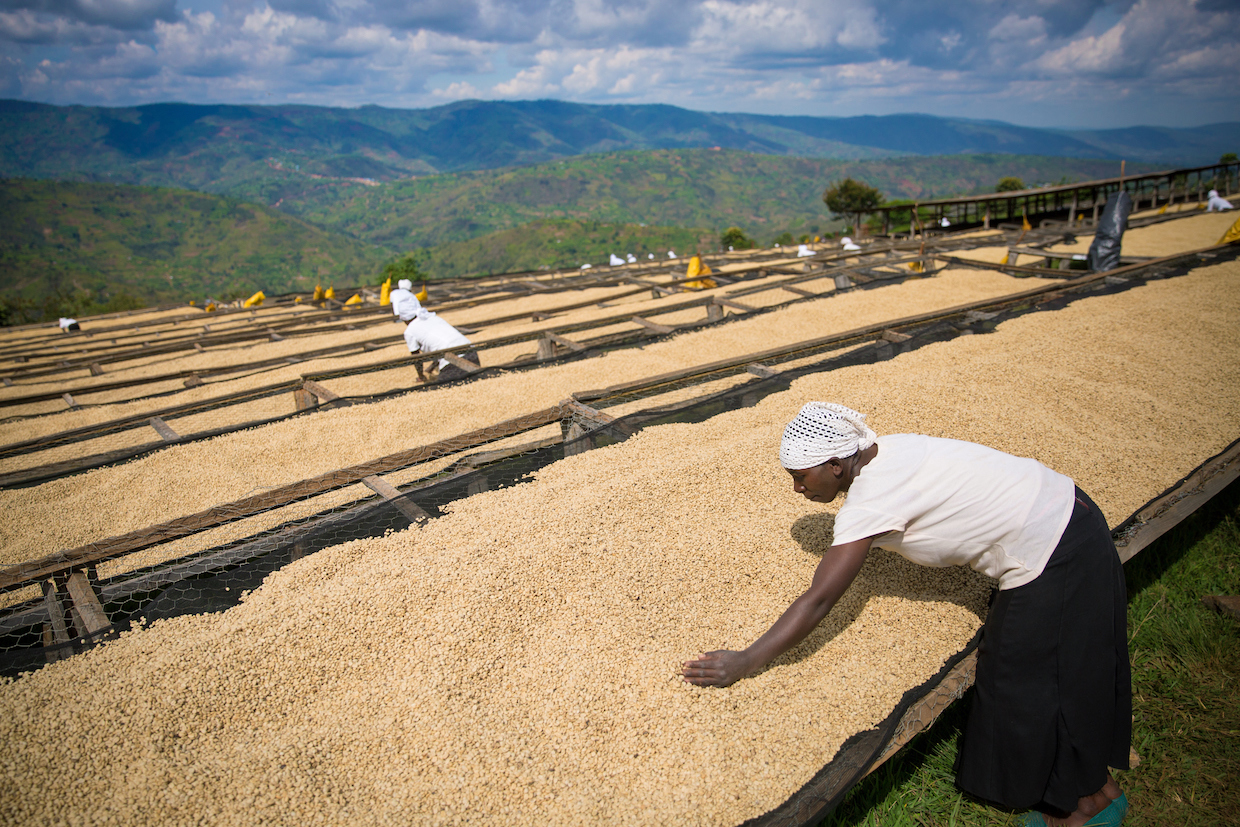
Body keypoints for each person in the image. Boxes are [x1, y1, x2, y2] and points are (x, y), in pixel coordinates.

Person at [682, 402, 1131, 827]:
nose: (797, 489)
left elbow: (818, 599)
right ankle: (1096, 788)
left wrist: (745, 660)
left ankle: (1083, 805)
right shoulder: (888, 448)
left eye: (801, 478)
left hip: (1054, 549)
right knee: (1057, 664)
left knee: (1026, 677)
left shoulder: (869, 504)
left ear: (836, 466)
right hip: (1072, 511)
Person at [401, 301, 479, 384]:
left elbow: (416, 358)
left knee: (441, 388)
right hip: (472, 354)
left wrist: (421, 376)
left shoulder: (409, 331)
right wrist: (431, 368)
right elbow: (441, 345)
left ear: (404, 319)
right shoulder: (432, 317)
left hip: (452, 363)